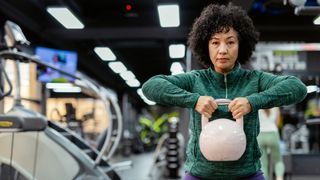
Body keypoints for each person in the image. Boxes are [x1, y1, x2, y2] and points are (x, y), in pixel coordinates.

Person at [142, 3, 307, 179]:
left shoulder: (254, 79)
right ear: (206, 45)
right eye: (215, 42)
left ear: (240, 45)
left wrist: (252, 102)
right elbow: (151, 87)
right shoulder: (195, 79)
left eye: (230, 42)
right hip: (199, 174)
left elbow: (297, 88)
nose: (222, 50)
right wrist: (194, 100)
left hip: (247, 174)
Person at [258, 107, 285, 180]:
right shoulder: (276, 106)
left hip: (261, 135)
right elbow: (278, 123)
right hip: (273, 133)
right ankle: (279, 178)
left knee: (263, 164)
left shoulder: (258, 105)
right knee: (278, 161)